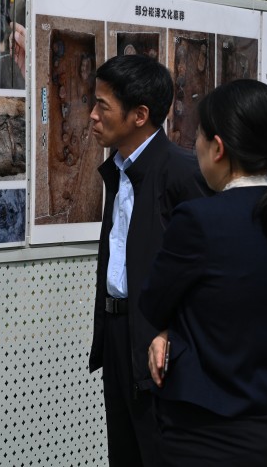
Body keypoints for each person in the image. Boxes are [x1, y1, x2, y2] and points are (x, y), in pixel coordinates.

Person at [140, 79, 267, 466]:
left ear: (218, 148)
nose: (195, 147)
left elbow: (153, 302)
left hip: (205, 434)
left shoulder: (199, 219)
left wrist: (165, 331)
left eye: (199, 136)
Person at [87, 54, 210, 466]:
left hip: (159, 343)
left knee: (159, 454)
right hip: (118, 333)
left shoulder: (181, 173)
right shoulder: (119, 170)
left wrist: (172, 331)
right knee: (123, 453)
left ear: (139, 115)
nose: (93, 116)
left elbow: (207, 267)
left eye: (103, 105)